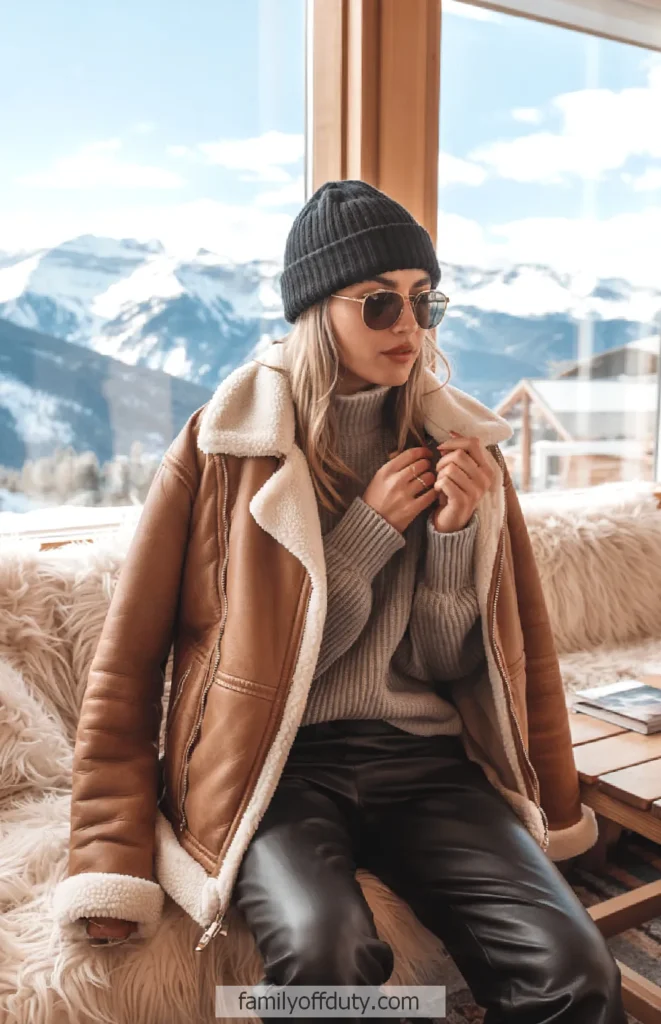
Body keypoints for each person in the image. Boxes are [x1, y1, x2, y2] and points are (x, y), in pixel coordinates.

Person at [57, 181, 627, 1024]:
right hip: (274, 768)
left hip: (427, 764)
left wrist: (454, 535)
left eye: (424, 302)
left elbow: (457, 665)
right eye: (378, 303)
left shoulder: (464, 452)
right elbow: (129, 665)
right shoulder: (225, 448)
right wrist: (108, 858)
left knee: (575, 970)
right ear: (317, 311)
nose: (408, 325)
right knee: (328, 959)